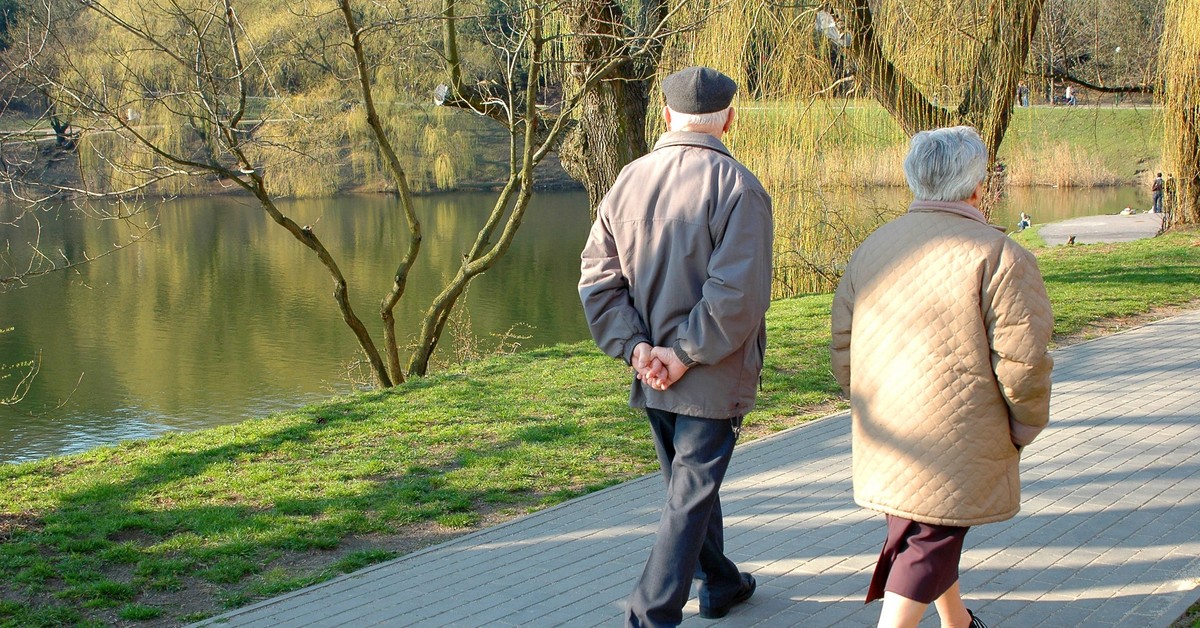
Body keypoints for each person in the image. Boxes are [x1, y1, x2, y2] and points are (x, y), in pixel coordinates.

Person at [830, 126, 1054, 628]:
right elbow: (1025, 362)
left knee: (923, 531)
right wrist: (1024, 427)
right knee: (926, 545)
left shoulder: (874, 246)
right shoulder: (999, 255)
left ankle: (957, 623)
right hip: (960, 435)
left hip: (887, 427)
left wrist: (863, 401)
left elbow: (843, 344)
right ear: (977, 187)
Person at [578, 66, 773, 628]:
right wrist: (681, 354)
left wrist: (638, 350)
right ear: (728, 119)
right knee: (687, 498)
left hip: (654, 372)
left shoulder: (628, 180)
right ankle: (650, 613)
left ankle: (721, 583)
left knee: (689, 490)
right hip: (708, 372)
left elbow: (599, 280)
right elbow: (737, 295)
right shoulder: (738, 187)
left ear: (666, 115)